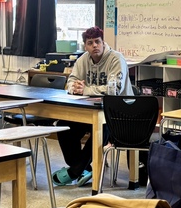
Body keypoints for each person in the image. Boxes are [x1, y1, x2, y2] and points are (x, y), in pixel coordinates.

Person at [52, 26, 132, 187]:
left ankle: (75, 171)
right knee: (63, 127)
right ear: (85, 46)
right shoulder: (83, 60)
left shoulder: (116, 59)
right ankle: (84, 169)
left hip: (119, 113)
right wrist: (73, 87)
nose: (95, 45)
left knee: (100, 129)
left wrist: (86, 90)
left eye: (98, 42)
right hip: (91, 111)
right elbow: (71, 81)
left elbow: (114, 89)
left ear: (103, 43)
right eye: (90, 43)